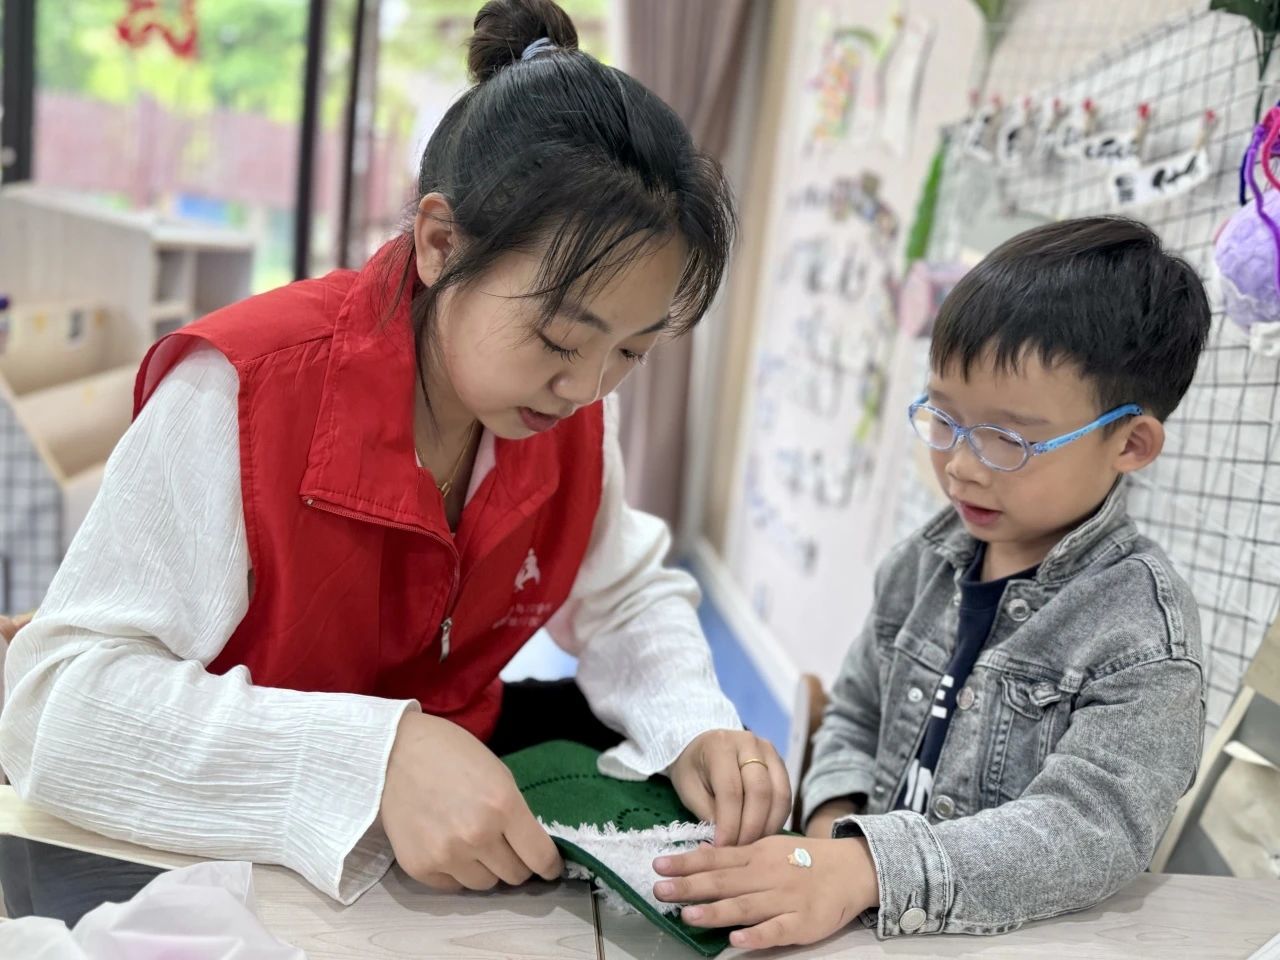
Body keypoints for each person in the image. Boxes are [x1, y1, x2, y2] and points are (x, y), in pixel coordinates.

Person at [0, 0, 789, 905]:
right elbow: (54, 711)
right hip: (195, 860)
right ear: (439, 243)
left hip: (412, 871)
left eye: (632, 352)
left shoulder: (560, 414)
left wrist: (694, 723)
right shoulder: (244, 392)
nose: (587, 387)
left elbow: (622, 594)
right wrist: (374, 757)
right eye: (561, 338)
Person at [652, 217, 1210, 950]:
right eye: (944, 418)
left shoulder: (1142, 633)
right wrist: (828, 836)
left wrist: (865, 869)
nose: (962, 467)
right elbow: (854, 715)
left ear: (1130, 443)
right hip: (871, 923)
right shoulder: (921, 563)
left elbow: (1089, 830)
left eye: (1008, 439)